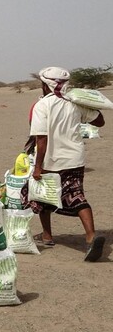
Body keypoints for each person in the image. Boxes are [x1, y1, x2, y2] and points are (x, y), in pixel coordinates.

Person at [27, 66, 106, 261]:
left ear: (46, 85)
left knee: (42, 196)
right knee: (77, 196)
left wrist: (38, 167)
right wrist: (88, 105)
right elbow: (100, 122)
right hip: (74, 159)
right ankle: (90, 236)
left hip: (50, 161)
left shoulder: (42, 106)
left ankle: (47, 235)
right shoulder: (75, 103)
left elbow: (41, 140)